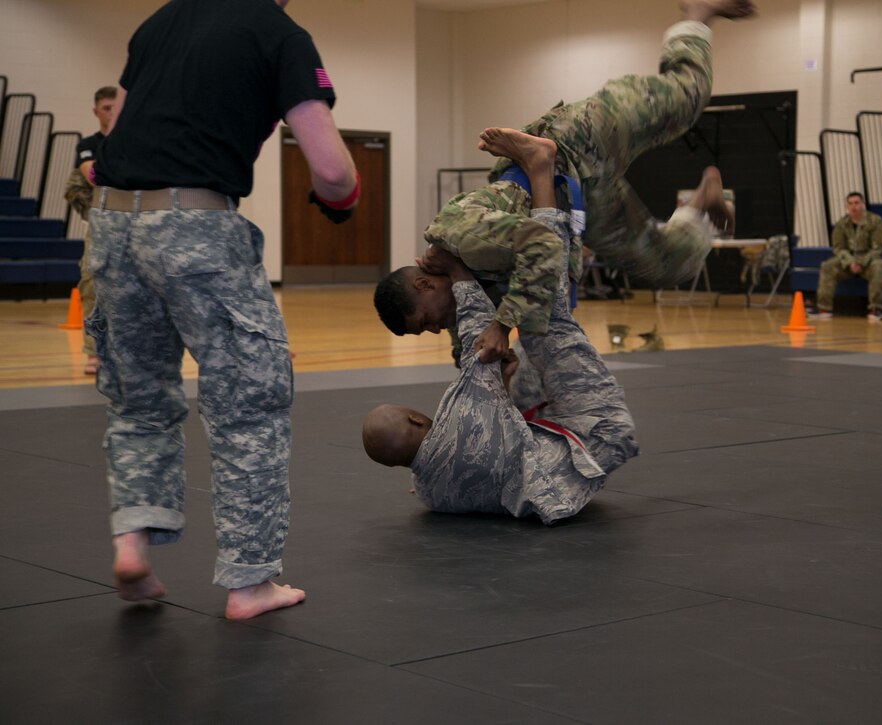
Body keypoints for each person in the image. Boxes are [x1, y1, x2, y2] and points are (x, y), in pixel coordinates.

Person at [86, 0, 359, 620]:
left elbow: (115, 135)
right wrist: (342, 201)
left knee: (138, 399)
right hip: (195, 224)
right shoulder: (280, 34)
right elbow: (332, 171)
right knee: (250, 403)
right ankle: (250, 581)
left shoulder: (161, 20)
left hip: (112, 221)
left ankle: (131, 545)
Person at [374, 0, 756, 364]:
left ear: (425, 285)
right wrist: (481, 358)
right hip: (583, 198)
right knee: (670, 265)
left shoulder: (461, 233)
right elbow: (468, 345)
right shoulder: (460, 289)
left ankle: (696, 13)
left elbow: (542, 244)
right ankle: (700, 202)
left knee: (687, 98)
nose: (436, 328)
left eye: (425, 322)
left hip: (574, 141)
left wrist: (503, 325)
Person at [363, 129, 637, 524]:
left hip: (556, 466)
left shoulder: (430, 491)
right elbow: (478, 336)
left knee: (519, 361)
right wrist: (457, 268)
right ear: (416, 420)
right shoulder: (458, 419)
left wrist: (501, 380)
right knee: (545, 320)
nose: (436, 328)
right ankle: (541, 167)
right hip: (599, 432)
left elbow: (491, 430)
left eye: (426, 322)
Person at [62, 86, 117, 375]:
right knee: (92, 284)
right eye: (106, 108)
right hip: (102, 221)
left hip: (135, 219)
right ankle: (94, 352)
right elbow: (93, 176)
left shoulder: (133, 140)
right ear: (96, 111)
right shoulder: (89, 143)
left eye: (115, 107)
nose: (111, 113)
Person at [814, 191, 882, 322]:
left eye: (856, 203)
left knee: (878, 267)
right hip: (847, 262)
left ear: (862, 204)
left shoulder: (875, 221)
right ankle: (824, 309)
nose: (854, 206)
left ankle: (875, 309)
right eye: (850, 204)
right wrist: (850, 262)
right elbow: (838, 248)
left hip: (869, 260)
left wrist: (860, 262)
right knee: (827, 266)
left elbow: (879, 247)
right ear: (846, 206)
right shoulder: (841, 224)